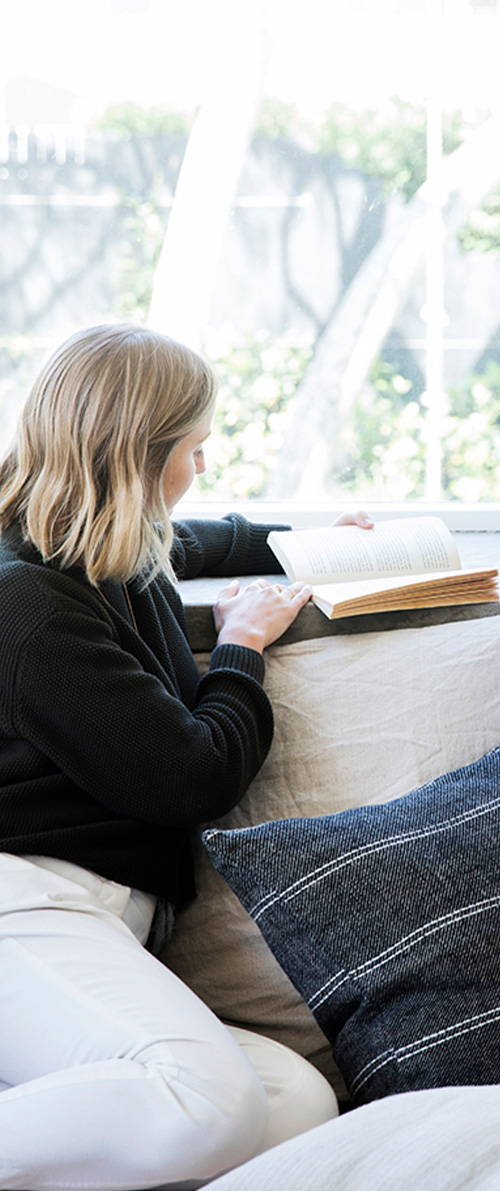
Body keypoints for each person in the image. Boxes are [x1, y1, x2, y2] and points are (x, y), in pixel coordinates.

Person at [0, 323, 373, 1190]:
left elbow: (196, 539)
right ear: (137, 455)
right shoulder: (29, 609)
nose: (201, 468)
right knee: (214, 1104)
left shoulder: (96, 539)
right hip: (25, 900)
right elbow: (191, 775)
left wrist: (307, 539)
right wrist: (242, 649)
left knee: (295, 1103)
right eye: (193, 449)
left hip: (90, 917)